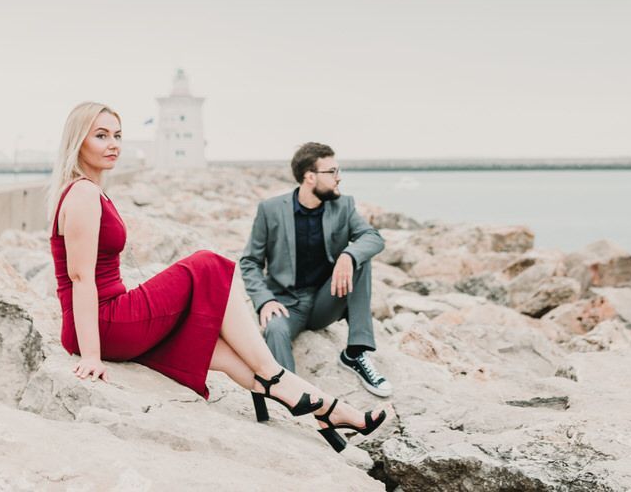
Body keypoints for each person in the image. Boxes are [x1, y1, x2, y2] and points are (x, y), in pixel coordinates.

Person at [47, 102, 387, 452]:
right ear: (78, 141)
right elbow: (80, 278)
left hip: (106, 319)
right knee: (207, 264)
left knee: (219, 350)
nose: (113, 144)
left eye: (117, 135)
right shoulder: (83, 193)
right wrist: (91, 356)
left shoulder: (90, 191)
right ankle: (272, 371)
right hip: (104, 322)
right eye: (101, 136)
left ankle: (329, 410)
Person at [240, 142, 394, 398]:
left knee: (360, 259)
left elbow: (372, 238)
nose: (338, 177)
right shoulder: (270, 210)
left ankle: (355, 353)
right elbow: (250, 262)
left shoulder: (343, 206)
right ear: (310, 176)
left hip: (327, 299)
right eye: (332, 171)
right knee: (274, 331)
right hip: (286, 304)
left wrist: (348, 255)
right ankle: (289, 398)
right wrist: (264, 301)